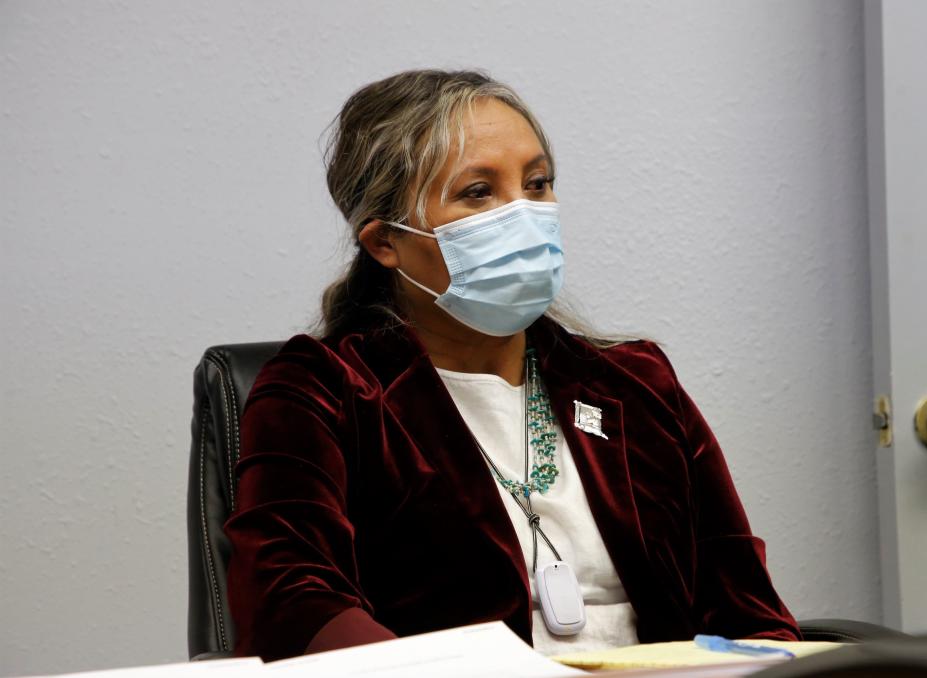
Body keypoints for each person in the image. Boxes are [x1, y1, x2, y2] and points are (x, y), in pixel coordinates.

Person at [224, 69, 800, 662]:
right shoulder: (324, 389)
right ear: (384, 242)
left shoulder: (636, 384)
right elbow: (291, 604)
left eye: (537, 183)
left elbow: (746, 607)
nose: (524, 215)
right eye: (479, 192)